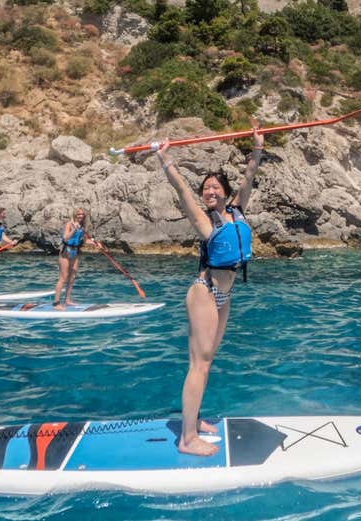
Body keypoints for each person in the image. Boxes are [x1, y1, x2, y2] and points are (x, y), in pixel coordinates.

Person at [155, 121, 263, 456]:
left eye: (216, 188)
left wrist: (257, 148)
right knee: (198, 363)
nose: (209, 191)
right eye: (207, 188)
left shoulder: (238, 212)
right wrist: (165, 159)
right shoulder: (206, 222)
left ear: (227, 194)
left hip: (225, 296)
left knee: (207, 361)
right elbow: (183, 192)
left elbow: (248, 179)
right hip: (204, 292)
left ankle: (194, 418)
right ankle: (187, 439)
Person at [53, 208, 98, 310]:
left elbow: (86, 241)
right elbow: (65, 238)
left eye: (82, 214)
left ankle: (67, 300)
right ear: (75, 214)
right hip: (66, 252)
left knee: (72, 277)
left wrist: (95, 243)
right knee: (63, 278)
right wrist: (73, 230)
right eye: (78, 214)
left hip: (75, 252)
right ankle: (56, 303)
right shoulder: (69, 224)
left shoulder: (82, 227)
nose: (80, 216)